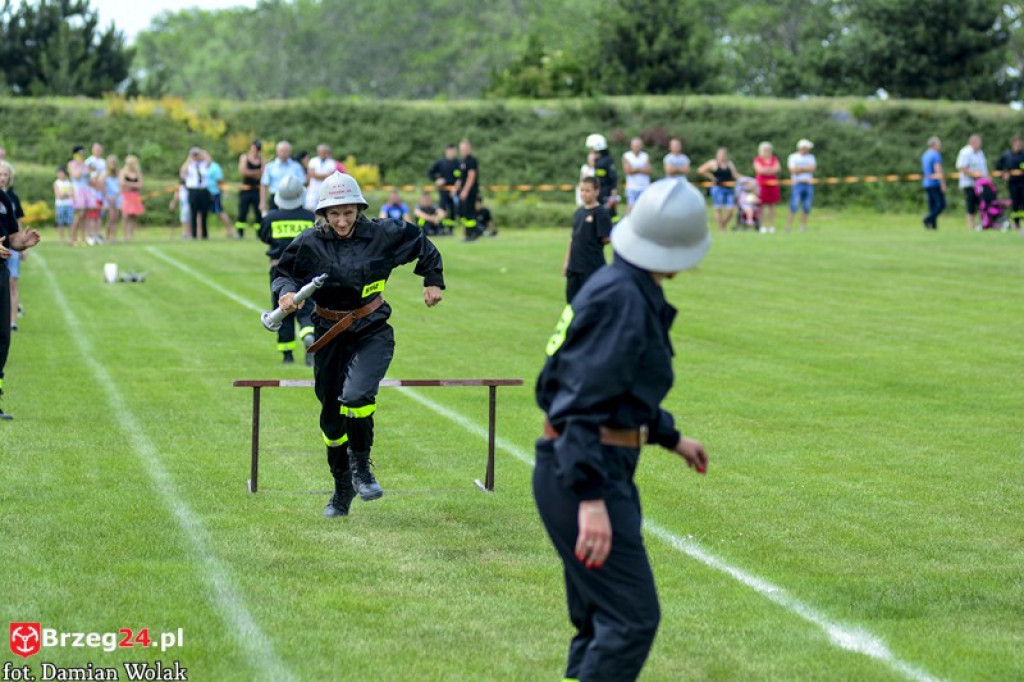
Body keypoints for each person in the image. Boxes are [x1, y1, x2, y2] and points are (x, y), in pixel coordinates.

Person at [533, 178, 710, 682]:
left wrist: (670, 437)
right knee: (631, 619)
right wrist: (590, 498)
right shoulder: (622, 299)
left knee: (598, 621)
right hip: (584, 471)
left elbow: (618, 388)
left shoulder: (624, 286)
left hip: (582, 465)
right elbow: (578, 404)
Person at [273, 172, 445, 517]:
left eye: (348, 213)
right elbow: (283, 271)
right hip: (328, 333)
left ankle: (363, 468)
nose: (341, 221)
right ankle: (341, 486)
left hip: (371, 329)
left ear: (359, 209)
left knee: (357, 395)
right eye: (334, 214)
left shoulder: (383, 234)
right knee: (331, 421)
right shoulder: (309, 242)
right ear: (323, 213)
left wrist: (432, 281)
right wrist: (286, 293)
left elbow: (422, 244)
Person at [258, 174, 317, 366]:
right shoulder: (310, 217)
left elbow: (264, 236)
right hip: (306, 270)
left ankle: (287, 354)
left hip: (278, 270)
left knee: (282, 308)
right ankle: (309, 334)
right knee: (306, 307)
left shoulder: (271, 217)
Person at [0, 161, 42, 420]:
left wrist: (21, 243)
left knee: (2, 338)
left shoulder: (4, 200)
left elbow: (11, 236)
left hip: (0, 274)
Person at [564, 176, 612, 303]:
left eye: (587, 190)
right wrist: (567, 262)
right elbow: (573, 239)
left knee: (591, 302)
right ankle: (573, 323)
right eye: (582, 190)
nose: (584, 194)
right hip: (574, 266)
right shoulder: (578, 213)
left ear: (596, 192)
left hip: (591, 266)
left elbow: (606, 238)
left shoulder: (600, 213)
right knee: (572, 303)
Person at [0, 162, 25, 332]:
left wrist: (22, 245)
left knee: (11, 285)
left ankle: (12, 321)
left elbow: (15, 226)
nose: (2, 178)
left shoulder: (9, 199)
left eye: (5, 174)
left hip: (7, 254)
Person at [698, 147, 740, 231]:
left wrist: (747, 180)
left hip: (728, 189)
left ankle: (723, 224)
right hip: (717, 188)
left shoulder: (729, 164)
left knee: (730, 210)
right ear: (717, 155)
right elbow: (701, 170)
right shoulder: (713, 163)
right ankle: (721, 228)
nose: (722, 156)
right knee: (718, 208)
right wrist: (712, 177)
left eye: (724, 154)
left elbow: (735, 175)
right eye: (721, 154)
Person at [260, 140, 306, 213]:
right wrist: (262, 202)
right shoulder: (270, 166)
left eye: (286, 151)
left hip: (293, 199)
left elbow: (302, 184)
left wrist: (303, 200)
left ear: (290, 152)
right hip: (274, 198)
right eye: (282, 150)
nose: (284, 153)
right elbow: (264, 184)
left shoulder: (296, 166)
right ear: (277, 151)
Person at [956, 134, 988, 232]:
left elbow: (984, 168)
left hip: (981, 183)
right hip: (969, 183)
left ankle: (982, 224)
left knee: (982, 204)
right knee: (971, 204)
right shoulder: (965, 152)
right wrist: (974, 174)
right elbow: (961, 167)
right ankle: (971, 226)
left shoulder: (980, 153)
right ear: (973, 142)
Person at [427, 144, 460, 235]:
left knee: (453, 211)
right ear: (446, 151)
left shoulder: (458, 163)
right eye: (450, 151)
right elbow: (430, 173)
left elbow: (461, 177)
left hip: (454, 191)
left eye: (454, 151)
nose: (452, 153)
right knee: (442, 210)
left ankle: (450, 230)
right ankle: (441, 229)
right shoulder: (440, 162)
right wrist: (436, 180)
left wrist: (455, 189)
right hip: (443, 191)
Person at [785, 139, 816, 232]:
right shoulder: (793, 157)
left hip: (808, 184)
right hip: (797, 184)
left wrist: (800, 169)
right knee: (794, 205)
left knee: (807, 206)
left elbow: (812, 169)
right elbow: (793, 171)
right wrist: (805, 168)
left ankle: (803, 227)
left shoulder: (811, 157)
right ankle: (788, 227)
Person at [236, 140, 264, 239]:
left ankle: (259, 233)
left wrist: (252, 172)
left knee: (258, 213)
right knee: (242, 212)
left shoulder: (262, 160)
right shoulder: (245, 157)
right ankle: (240, 233)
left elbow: (263, 173)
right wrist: (257, 172)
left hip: (257, 190)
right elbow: (243, 171)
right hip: (245, 190)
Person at [587, 133, 619, 219]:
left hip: (606, 191)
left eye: (592, 149)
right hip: (598, 190)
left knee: (609, 213)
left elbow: (613, 177)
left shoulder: (607, 161)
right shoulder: (597, 161)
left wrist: (613, 193)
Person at [995, 135, 1024, 230]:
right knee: (1015, 203)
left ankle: (1021, 221)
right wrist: (1004, 174)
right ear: (1012, 144)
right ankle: (1016, 222)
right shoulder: (1006, 156)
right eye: (1016, 143)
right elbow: (998, 169)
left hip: (1023, 182)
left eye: (1020, 143)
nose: (1018, 145)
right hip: (1013, 183)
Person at [181, 147, 211, 239]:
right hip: (193, 190)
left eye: (197, 154)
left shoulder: (204, 164)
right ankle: (193, 234)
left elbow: (208, 158)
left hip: (203, 190)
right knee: (193, 213)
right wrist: (190, 159)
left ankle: (204, 234)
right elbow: (182, 173)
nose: (196, 156)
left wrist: (202, 153)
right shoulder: (190, 165)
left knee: (204, 213)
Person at [204, 150, 234, 238]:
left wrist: (223, 191)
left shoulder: (215, 167)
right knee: (205, 213)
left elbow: (220, 180)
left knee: (220, 211)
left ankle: (230, 230)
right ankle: (201, 232)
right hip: (206, 193)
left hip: (215, 193)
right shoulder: (205, 167)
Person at [454, 139, 481, 240]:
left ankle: (471, 234)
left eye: (465, 148)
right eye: (461, 149)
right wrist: (455, 189)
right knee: (463, 213)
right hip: (463, 191)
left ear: (469, 148)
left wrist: (465, 190)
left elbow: (471, 176)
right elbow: (461, 178)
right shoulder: (462, 161)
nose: (463, 150)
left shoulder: (471, 160)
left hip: (470, 191)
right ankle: (468, 232)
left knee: (470, 213)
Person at [753, 141, 781, 232]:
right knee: (761, 206)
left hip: (772, 185)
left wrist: (766, 170)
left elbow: (777, 169)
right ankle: (763, 226)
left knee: (772, 206)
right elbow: (759, 170)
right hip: (762, 185)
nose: (767, 152)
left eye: (768, 150)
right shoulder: (758, 159)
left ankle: (771, 226)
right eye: (765, 150)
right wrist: (770, 170)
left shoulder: (774, 159)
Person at [921, 137, 947, 231]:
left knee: (932, 206)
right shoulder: (936, 155)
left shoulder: (925, 155)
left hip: (927, 182)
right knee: (941, 205)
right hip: (935, 183)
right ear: (935, 145)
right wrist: (942, 183)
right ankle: (927, 219)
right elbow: (938, 170)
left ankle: (933, 226)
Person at [84, 142, 106, 245]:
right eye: (96, 149)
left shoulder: (103, 162)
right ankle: (90, 235)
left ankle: (97, 235)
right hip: (90, 192)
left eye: (99, 149)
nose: (98, 151)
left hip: (99, 193)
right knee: (91, 215)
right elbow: (86, 177)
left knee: (98, 215)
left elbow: (104, 177)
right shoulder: (88, 161)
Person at [622, 137, 652, 213]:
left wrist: (634, 169)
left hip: (644, 187)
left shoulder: (645, 156)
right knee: (631, 208)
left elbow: (648, 170)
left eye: (638, 145)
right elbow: (628, 171)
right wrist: (641, 169)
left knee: (644, 208)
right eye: (635, 146)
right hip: (632, 187)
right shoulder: (627, 156)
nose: (636, 147)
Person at [119, 155, 145, 242]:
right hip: (126, 196)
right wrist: (133, 185)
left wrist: (128, 184)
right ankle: (124, 234)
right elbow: (122, 183)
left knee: (133, 216)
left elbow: (140, 184)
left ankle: (131, 235)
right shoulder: (123, 172)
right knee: (125, 215)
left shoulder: (138, 173)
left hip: (135, 196)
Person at [68, 146, 89, 246]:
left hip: (85, 190)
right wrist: (80, 165)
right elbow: (76, 175)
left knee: (84, 216)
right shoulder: (72, 164)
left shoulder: (85, 165)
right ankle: (72, 238)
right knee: (78, 216)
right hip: (77, 191)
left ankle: (83, 238)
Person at [306, 144, 337, 211]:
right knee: (310, 208)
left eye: (324, 152)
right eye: (320, 151)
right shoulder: (313, 161)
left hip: (327, 190)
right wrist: (325, 175)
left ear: (327, 152)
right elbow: (312, 174)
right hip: (313, 189)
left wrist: (316, 175)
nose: (322, 153)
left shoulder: (331, 162)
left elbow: (331, 175)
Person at [103, 155, 122, 243]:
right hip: (108, 198)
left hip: (117, 198)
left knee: (115, 218)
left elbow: (121, 187)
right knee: (110, 218)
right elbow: (103, 187)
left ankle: (113, 237)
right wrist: (108, 197)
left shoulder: (119, 174)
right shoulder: (105, 175)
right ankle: (107, 236)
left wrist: (115, 197)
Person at [53, 166, 73, 246]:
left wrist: (64, 194)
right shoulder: (56, 183)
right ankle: (62, 240)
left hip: (69, 205)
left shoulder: (69, 183)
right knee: (60, 223)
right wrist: (67, 194)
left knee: (70, 223)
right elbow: (59, 195)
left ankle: (71, 239)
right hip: (60, 205)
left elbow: (72, 194)